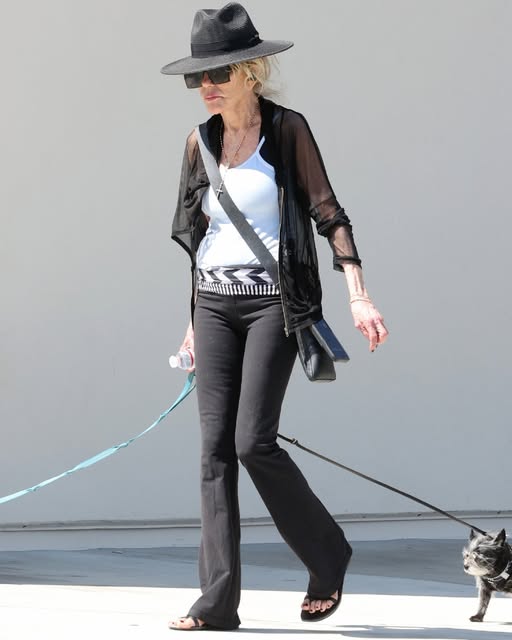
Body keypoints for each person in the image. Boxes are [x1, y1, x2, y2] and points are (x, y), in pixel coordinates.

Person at [161, 2, 388, 631]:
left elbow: (328, 213)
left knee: (251, 443)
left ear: (250, 72)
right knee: (212, 453)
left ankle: (327, 553)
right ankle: (216, 604)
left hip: (272, 304)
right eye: (197, 77)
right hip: (213, 304)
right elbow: (199, 241)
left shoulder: (287, 130)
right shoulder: (198, 142)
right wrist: (192, 322)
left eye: (218, 74)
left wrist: (358, 294)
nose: (206, 86)